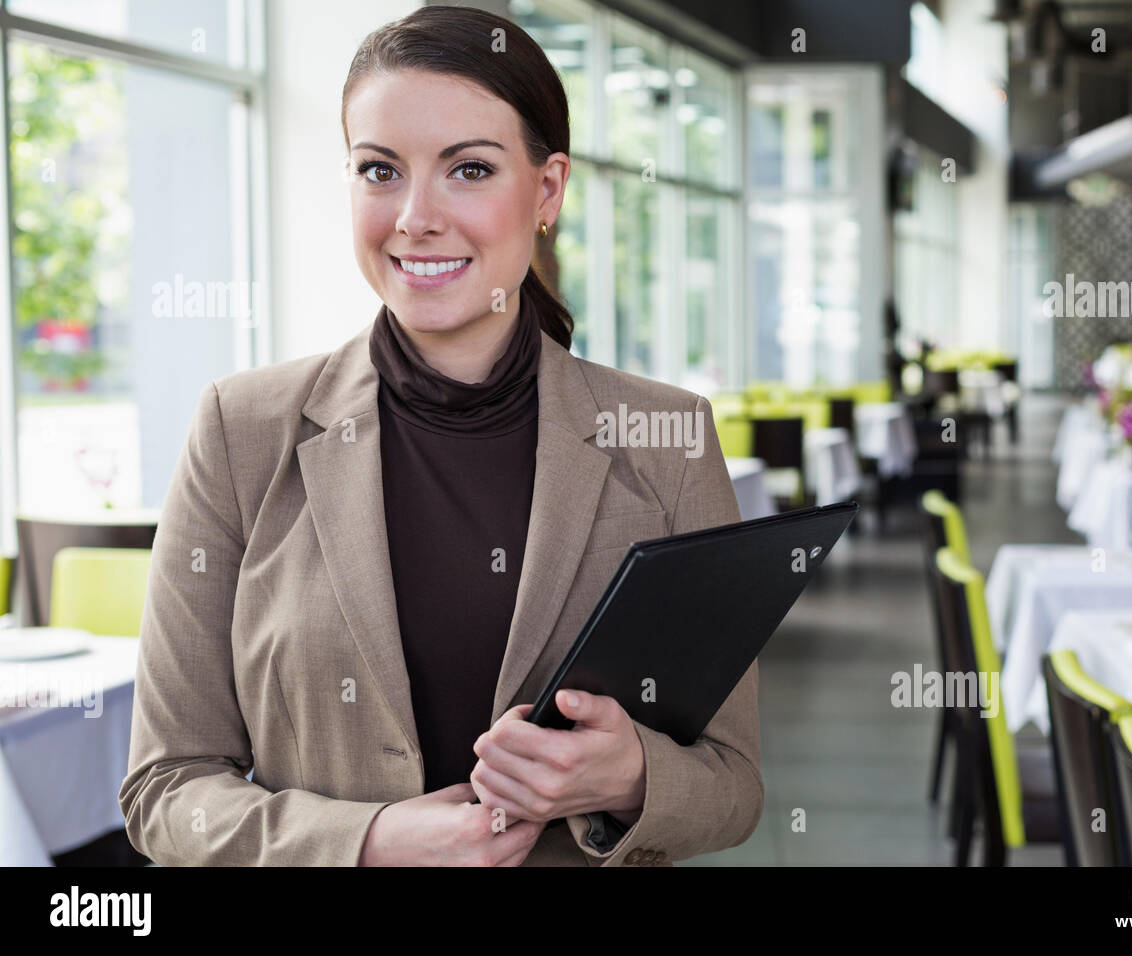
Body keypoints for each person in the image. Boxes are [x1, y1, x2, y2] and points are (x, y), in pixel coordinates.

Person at [118, 5, 762, 867]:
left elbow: (734, 784)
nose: (416, 216)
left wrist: (633, 776)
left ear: (546, 191)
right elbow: (167, 788)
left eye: (468, 169)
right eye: (379, 170)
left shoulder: (667, 441)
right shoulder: (242, 433)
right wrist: (367, 842)